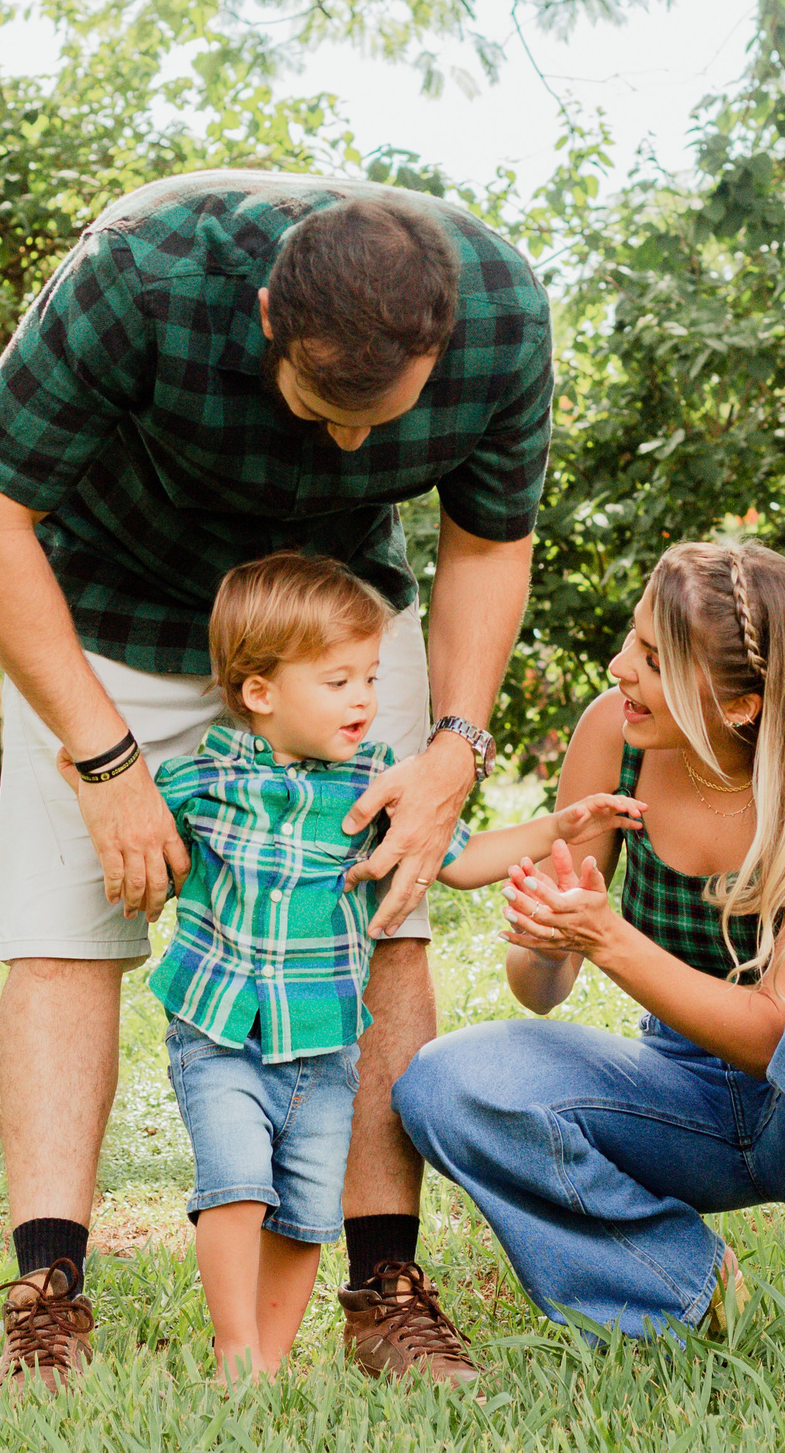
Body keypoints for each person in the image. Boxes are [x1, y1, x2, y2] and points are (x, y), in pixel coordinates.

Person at [0, 171, 552, 1394]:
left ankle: (384, 1293)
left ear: (440, 336)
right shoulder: (138, 279)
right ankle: (47, 1299)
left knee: (388, 922)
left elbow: (490, 541)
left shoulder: (503, 310)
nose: (351, 445)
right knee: (68, 938)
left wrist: (453, 750)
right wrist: (102, 761)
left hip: (332, 636)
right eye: (326, 406)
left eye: (387, 417)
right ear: (269, 313)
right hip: (106, 611)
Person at [391, 542, 785, 1361]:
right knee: (446, 1083)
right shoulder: (614, 733)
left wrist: (610, 939)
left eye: (653, 659)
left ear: (743, 704)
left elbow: (779, 1029)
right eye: (632, 638)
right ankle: (680, 1290)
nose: (619, 667)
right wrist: (554, 938)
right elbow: (540, 992)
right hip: (681, 1085)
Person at [147, 552, 645, 1379]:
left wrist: (563, 823)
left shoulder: (380, 783)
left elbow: (463, 856)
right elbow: (142, 837)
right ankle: (235, 1347)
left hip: (325, 1045)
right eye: (338, 680)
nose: (364, 699)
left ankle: (268, 1363)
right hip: (221, 1028)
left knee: (306, 1210)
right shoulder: (205, 778)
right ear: (261, 691)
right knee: (237, 1180)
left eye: (371, 678)